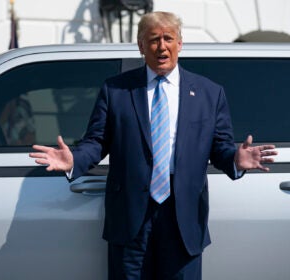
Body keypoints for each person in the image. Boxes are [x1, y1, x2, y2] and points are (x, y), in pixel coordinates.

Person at [29, 11, 277, 280]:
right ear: (141, 46)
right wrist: (74, 160)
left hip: (183, 218)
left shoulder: (209, 93)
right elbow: (97, 142)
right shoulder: (116, 90)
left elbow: (220, 147)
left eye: (168, 38)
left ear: (179, 44)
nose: (162, 47)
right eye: (154, 40)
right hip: (131, 218)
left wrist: (235, 160)